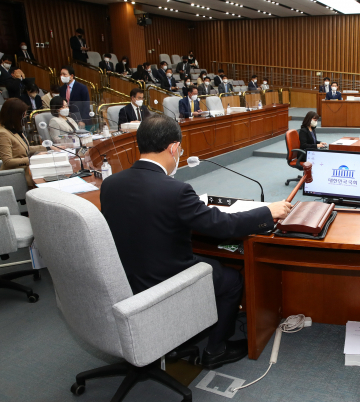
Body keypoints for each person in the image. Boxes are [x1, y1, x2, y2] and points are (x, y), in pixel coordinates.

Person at [100, 113, 292, 369]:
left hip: (127, 277)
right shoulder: (175, 191)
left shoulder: (111, 184)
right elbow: (223, 227)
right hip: (164, 280)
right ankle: (216, 349)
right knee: (232, 278)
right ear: (174, 148)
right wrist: (268, 212)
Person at [0, 98, 47, 188]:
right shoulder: (3, 134)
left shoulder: (14, 129)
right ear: (14, 115)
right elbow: (7, 161)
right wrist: (33, 159)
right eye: (23, 114)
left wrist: (48, 147)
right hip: (16, 175)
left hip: (26, 170)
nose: (25, 116)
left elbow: (25, 148)